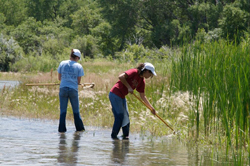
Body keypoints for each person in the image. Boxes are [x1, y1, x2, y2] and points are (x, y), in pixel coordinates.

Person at [109, 62, 157, 139]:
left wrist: (151, 108)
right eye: (150, 74)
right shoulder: (134, 72)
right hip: (115, 94)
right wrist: (128, 87)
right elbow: (121, 77)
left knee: (126, 117)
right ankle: (114, 138)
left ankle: (125, 138)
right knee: (120, 116)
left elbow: (143, 96)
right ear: (147, 71)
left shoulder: (142, 81)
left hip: (122, 96)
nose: (150, 76)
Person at [57, 49, 85, 133]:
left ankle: (61, 130)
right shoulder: (79, 66)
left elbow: (59, 78)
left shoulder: (62, 63)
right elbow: (78, 82)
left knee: (63, 111)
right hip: (73, 89)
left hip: (63, 89)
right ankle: (79, 129)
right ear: (77, 57)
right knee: (76, 111)